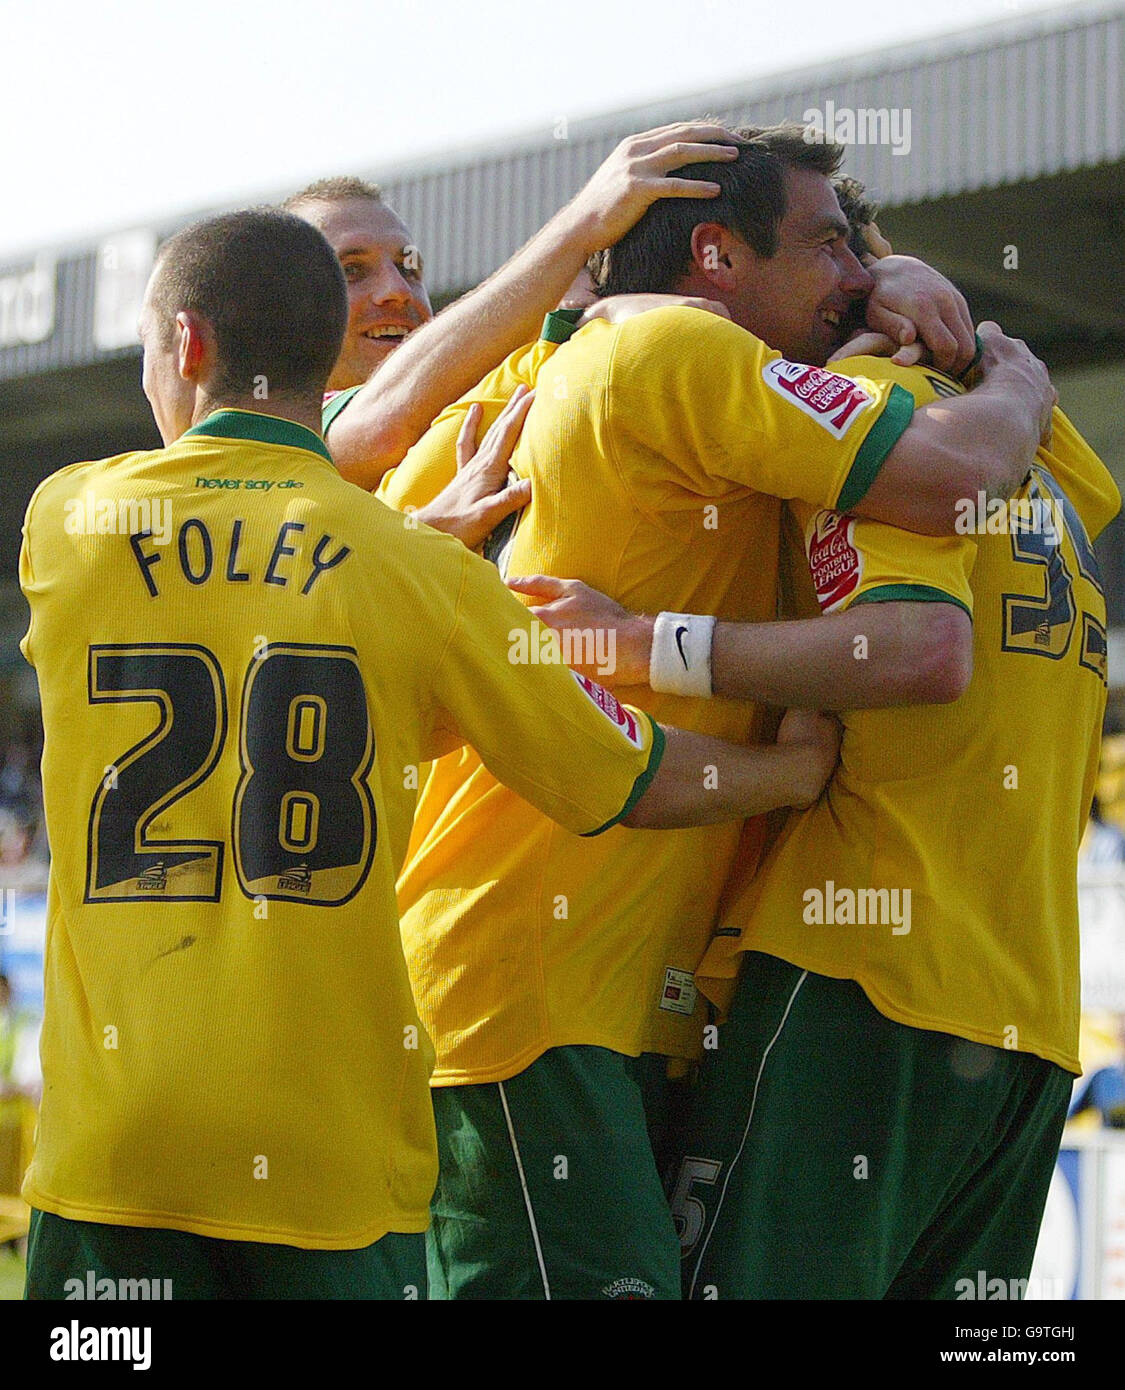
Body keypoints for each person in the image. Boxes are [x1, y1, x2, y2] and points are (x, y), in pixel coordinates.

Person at [17, 208, 840, 1302]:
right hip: (330, 1172)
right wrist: (792, 771)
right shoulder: (422, 584)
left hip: (112, 1159)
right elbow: (636, 777)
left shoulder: (66, 520)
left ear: (188, 346)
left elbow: (246, 569)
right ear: (323, 360)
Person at [371, 126, 1055, 1299]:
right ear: (713, 258)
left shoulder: (560, 369)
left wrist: (884, 267)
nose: (855, 275)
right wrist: (1021, 379)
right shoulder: (673, 347)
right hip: (532, 982)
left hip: (616, 986)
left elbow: (363, 443)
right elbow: (950, 485)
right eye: (829, 246)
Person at [526, 181, 1118, 1299]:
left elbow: (915, 648)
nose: (847, 273)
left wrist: (653, 645)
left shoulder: (883, 410)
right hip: (1026, 1009)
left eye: (848, 249)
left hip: (864, 977)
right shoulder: (1020, 415)